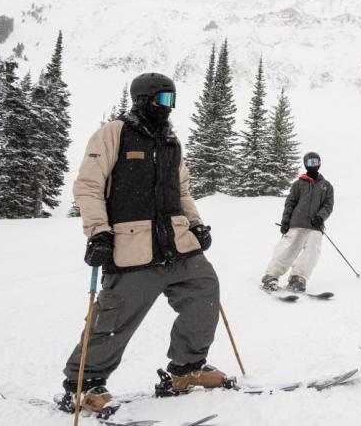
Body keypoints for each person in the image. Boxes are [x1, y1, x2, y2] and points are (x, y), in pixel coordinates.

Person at [59, 72, 228, 414]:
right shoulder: (113, 134)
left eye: (173, 100)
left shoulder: (171, 142)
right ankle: (84, 384)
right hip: (131, 247)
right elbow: (88, 186)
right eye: (164, 99)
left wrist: (196, 224)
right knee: (115, 319)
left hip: (177, 244)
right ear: (144, 99)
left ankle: (185, 369)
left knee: (204, 290)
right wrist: (98, 232)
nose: (170, 108)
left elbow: (182, 192)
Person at [260, 151, 334, 293]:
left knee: (312, 250)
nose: (313, 165)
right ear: (305, 163)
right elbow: (290, 203)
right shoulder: (299, 184)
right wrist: (286, 220)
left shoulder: (326, 186)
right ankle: (271, 276)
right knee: (288, 248)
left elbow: (328, 205)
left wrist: (320, 217)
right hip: (297, 222)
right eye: (310, 162)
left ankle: (298, 278)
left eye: (315, 162)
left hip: (315, 225)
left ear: (319, 163)